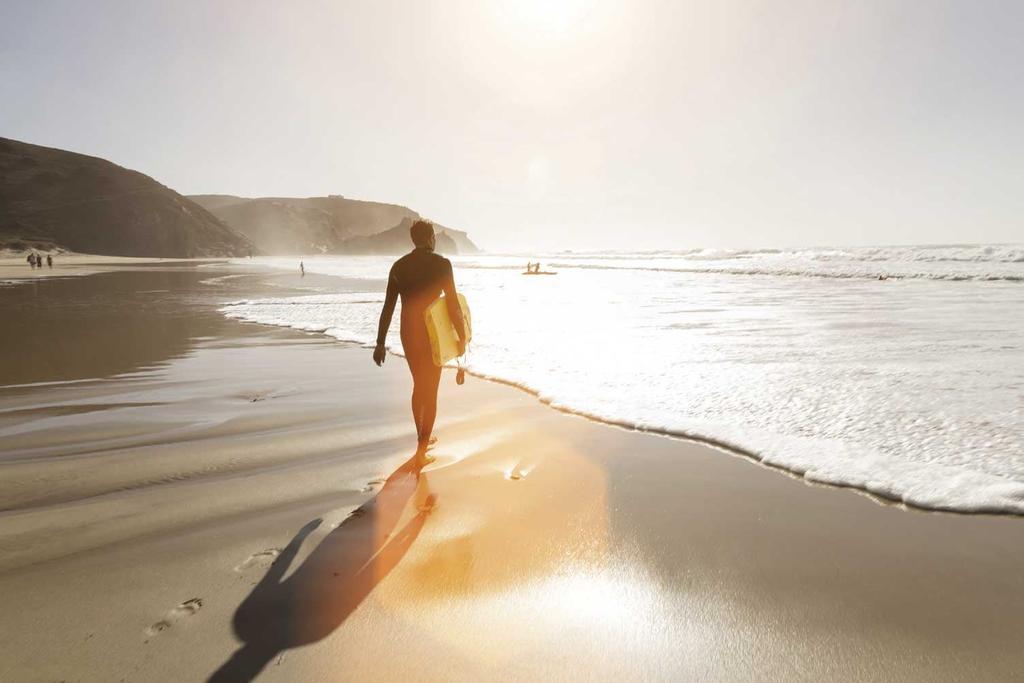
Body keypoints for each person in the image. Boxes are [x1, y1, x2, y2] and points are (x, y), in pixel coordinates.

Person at [374, 220, 466, 462]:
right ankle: (424, 445)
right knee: (431, 389)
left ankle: (421, 438)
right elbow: (453, 304)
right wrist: (461, 336)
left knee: (419, 384)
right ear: (431, 238)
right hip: (432, 332)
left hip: (408, 332)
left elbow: (388, 307)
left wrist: (380, 342)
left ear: (414, 239)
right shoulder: (442, 265)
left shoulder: (398, 267)